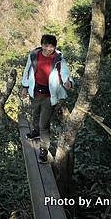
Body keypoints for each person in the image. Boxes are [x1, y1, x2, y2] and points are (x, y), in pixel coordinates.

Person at [20, 34, 72, 164]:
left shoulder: (58, 58)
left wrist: (68, 81)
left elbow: (65, 71)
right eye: (47, 46)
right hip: (35, 92)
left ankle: (44, 149)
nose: (49, 49)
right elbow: (27, 70)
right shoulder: (34, 55)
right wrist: (25, 87)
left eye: (52, 46)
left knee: (44, 123)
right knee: (35, 114)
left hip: (49, 96)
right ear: (42, 45)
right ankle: (35, 131)